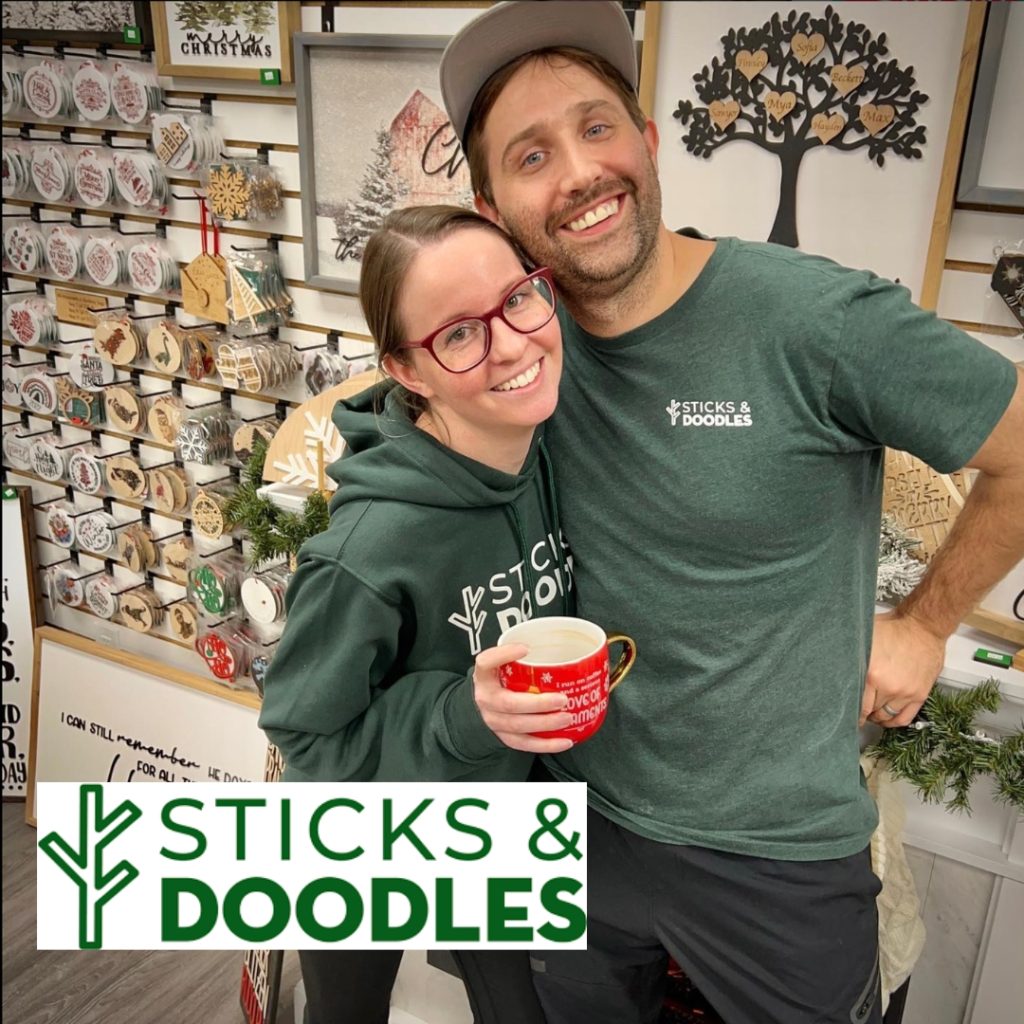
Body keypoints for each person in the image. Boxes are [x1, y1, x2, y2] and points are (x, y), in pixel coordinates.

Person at [438, 3, 1024, 1023]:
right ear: (493, 208)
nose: (577, 171)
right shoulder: (519, 356)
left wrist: (925, 624)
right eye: (531, 155)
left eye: (595, 126)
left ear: (648, 143)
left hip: (778, 859)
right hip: (575, 825)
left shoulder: (812, 319)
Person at [258, 205, 575, 1024]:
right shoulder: (365, 553)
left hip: (495, 819)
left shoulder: (547, 446)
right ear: (407, 371)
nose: (510, 343)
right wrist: (460, 714)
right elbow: (304, 737)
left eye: (519, 299)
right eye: (458, 335)